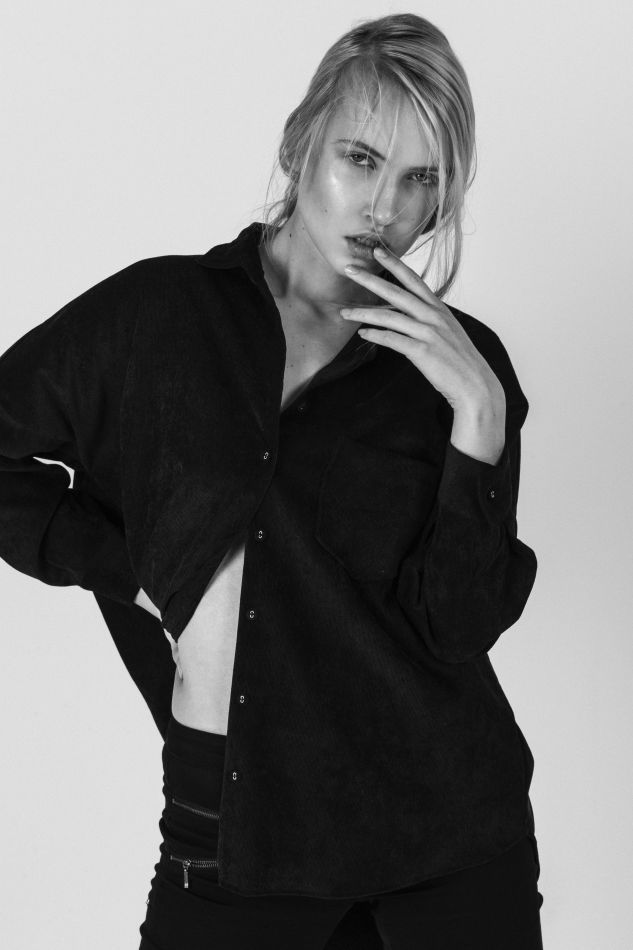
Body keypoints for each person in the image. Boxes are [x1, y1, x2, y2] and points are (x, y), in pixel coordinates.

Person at [0, 12, 544, 950]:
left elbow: (455, 626)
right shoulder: (160, 316)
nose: (384, 208)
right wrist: (136, 572)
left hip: (449, 847)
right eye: (360, 159)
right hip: (234, 831)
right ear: (301, 146)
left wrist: (479, 420)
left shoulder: (462, 370)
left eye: (420, 180)